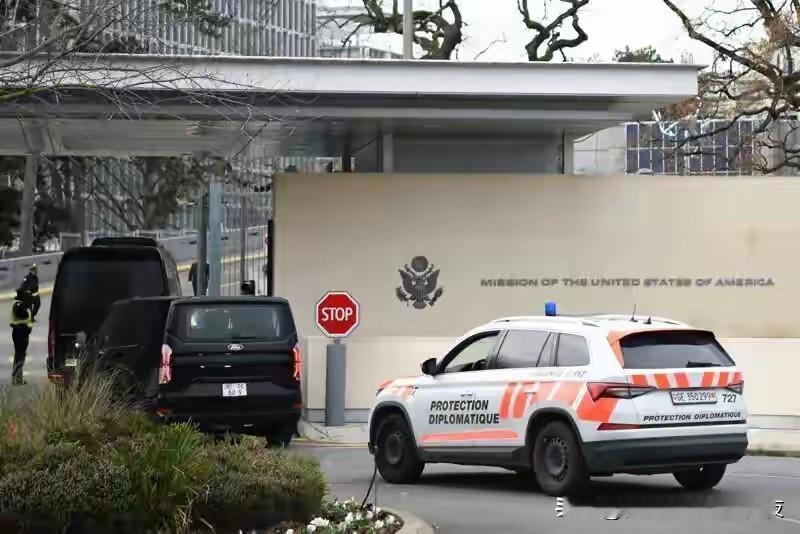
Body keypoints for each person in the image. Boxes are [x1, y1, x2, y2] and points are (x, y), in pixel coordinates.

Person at [9, 289, 33, 385]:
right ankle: (17, 378)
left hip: (21, 333)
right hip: (20, 333)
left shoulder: (19, 304)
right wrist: (26, 305)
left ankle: (17, 377)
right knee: (20, 356)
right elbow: (22, 314)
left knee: (20, 355)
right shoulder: (18, 305)